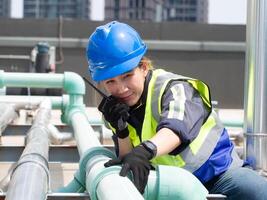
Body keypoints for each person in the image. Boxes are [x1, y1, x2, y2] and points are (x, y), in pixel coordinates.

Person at [86, 21, 267, 199]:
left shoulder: (175, 89)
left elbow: (175, 129)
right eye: (111, 81)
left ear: (143, 67)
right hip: (168, 185)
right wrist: (121, 130)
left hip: (218, 177)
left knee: (256, 191)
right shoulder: (115, 109)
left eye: (127, 76)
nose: (122, 88)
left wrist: (144, 150)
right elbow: (129, 161)